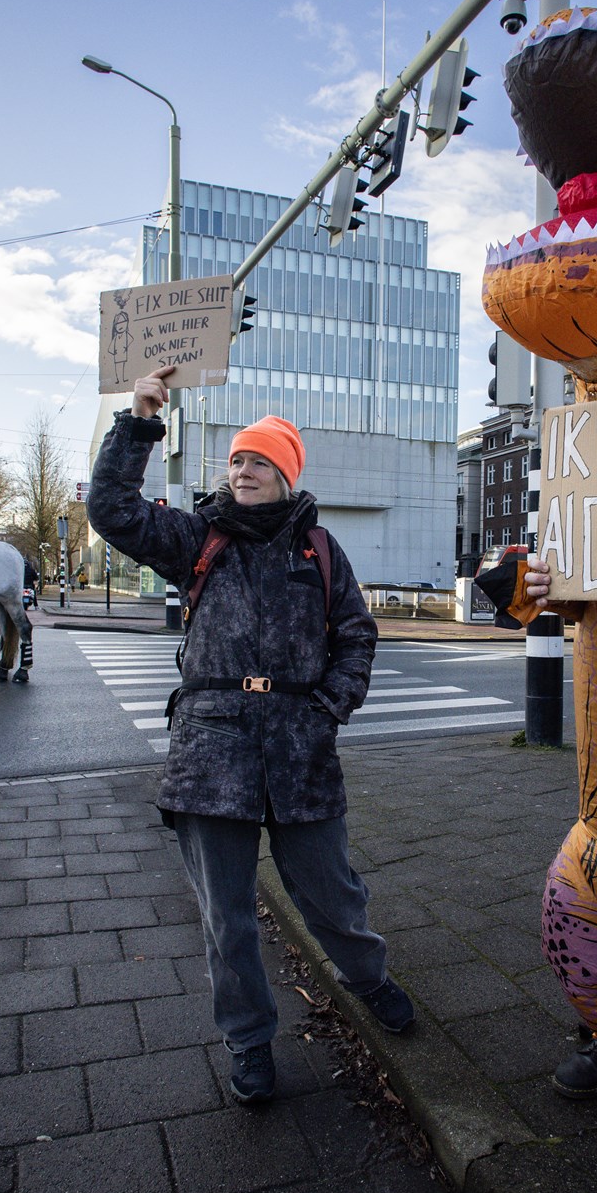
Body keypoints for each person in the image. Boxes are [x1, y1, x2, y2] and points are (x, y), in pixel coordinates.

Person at [87, 364, 415, 1107]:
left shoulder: (321, 550)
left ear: (286, 473)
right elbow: (110, 509)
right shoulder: (196, 538)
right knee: (226, 917)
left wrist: (332, 703)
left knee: (333, 895)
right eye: (236, 458)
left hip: (301, 751)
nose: (243, 468)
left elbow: (358, 635)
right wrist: (139, 419)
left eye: (258, 460)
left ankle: (370, 979)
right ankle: (249, 1042)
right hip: (210, 752)